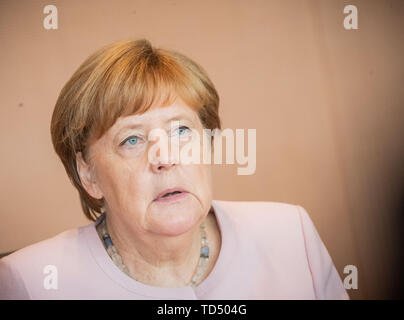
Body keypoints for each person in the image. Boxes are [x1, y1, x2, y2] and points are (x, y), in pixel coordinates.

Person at [0, 39, 349, 299]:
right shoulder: (31, 281)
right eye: (132, 140)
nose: (165, 157)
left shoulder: (291, 235)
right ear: (88, 174)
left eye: (181, 130)